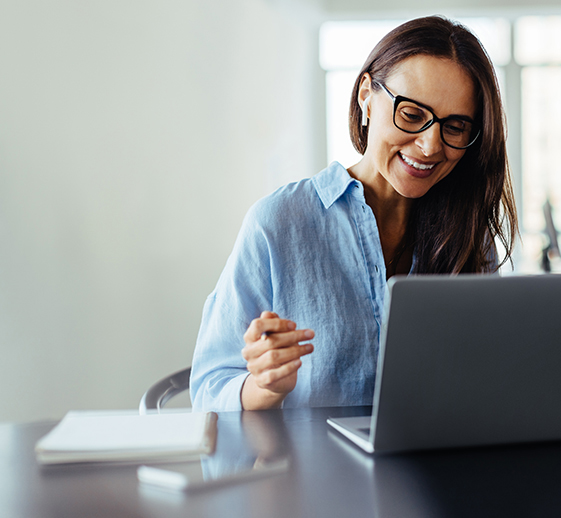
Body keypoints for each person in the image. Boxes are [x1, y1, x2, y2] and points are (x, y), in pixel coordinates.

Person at [190, 16, 518, 412]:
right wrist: (264, 387)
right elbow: (208, 389)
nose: (431, 146)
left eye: (455, 127)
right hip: (309, 454)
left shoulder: (468, 233)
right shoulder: (278, 223)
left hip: (437, 452)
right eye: (412, 115)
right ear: (366, 96)